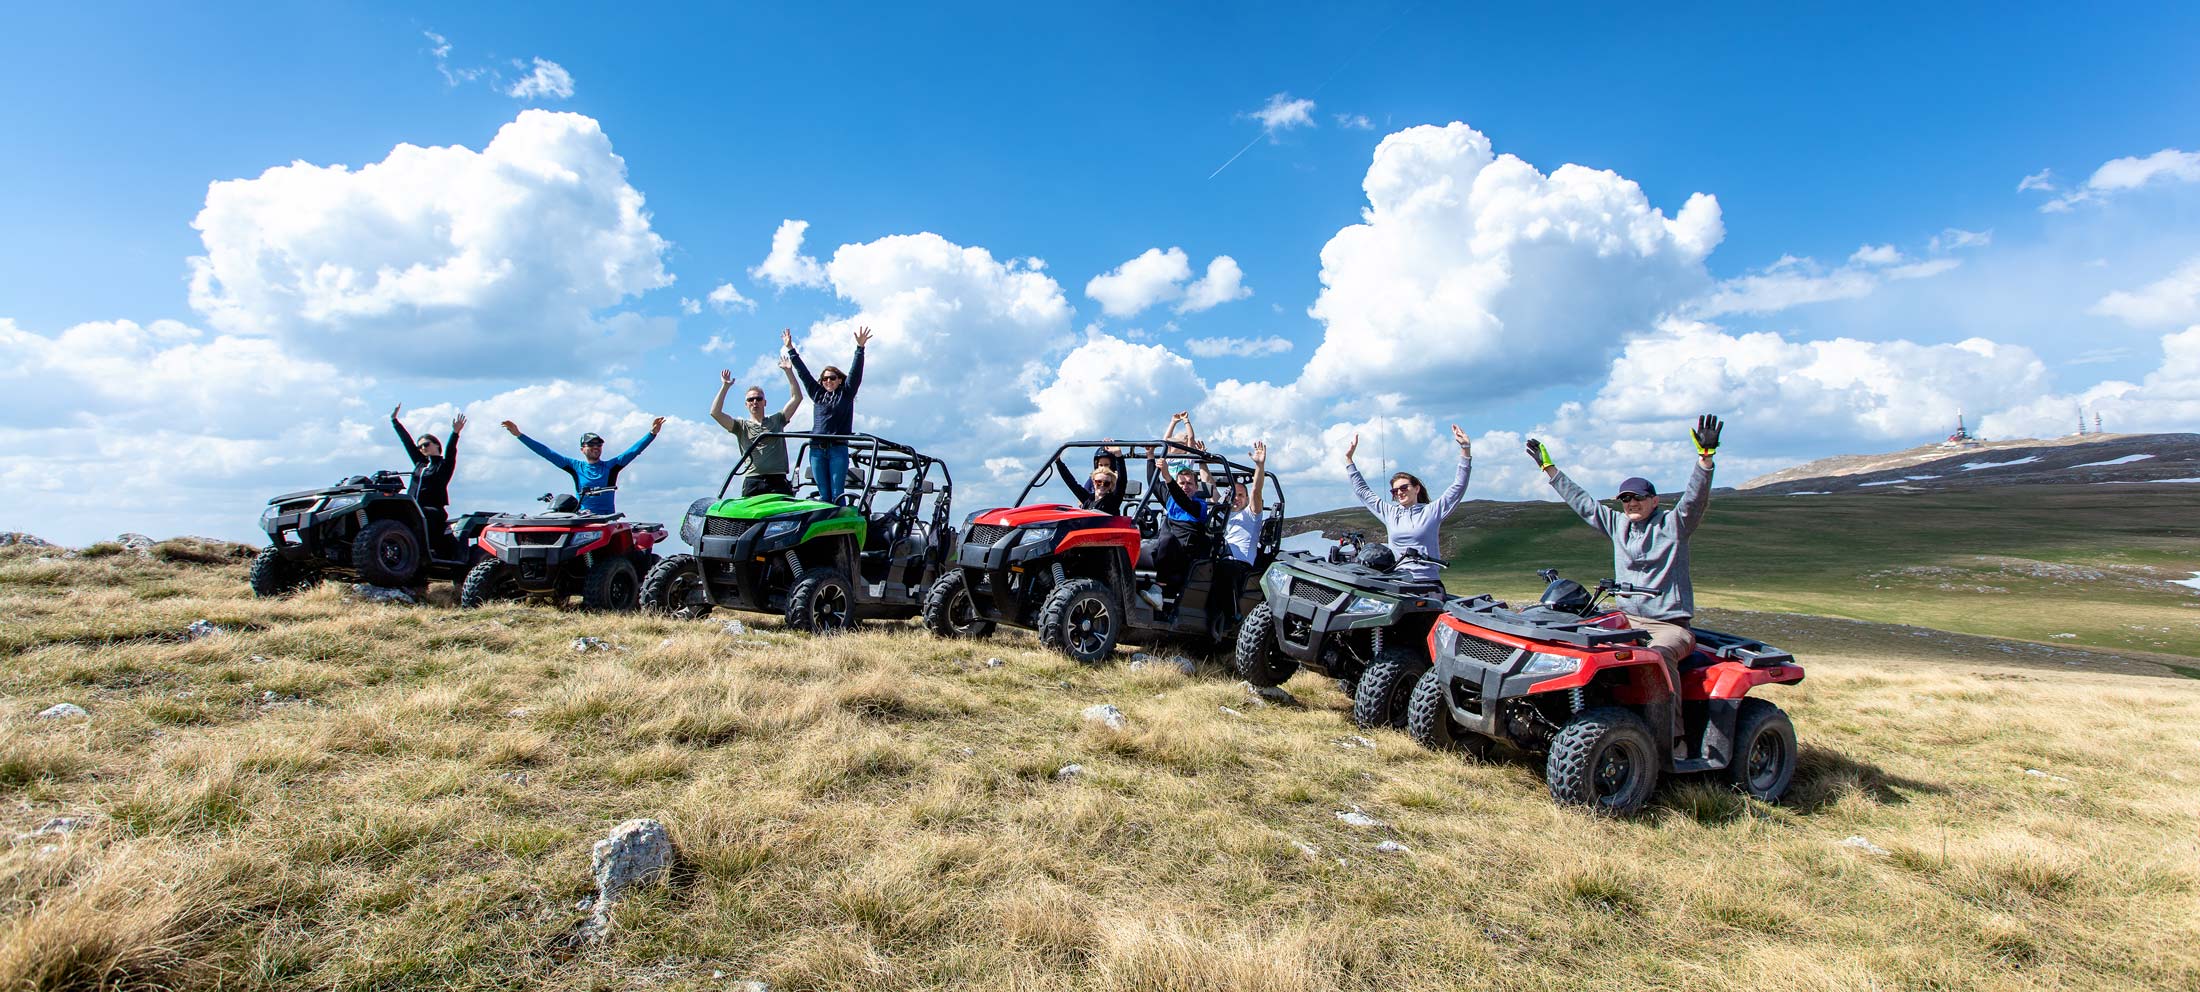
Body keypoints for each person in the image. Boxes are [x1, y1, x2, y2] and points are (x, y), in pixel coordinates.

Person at [1527, 414, 1723, 757]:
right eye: (1625, 498)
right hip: (1626, 619)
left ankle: (1672, 743)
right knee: (1574, 643)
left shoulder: (1674, 526)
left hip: (1669, 626)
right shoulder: (1618, 525)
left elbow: (1694, 500)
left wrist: (1704, 460)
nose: (1630, 503)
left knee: (1656, 659)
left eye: (1638, 497)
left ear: (1654, 500)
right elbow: (1584, 504)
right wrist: (1550, 470)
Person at [1343, 424, 1473, 594]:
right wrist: (1349, 460)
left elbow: (1458, 487)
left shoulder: (1431, 512)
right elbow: (1363, 492)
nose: (1399, 493)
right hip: (1398, 582)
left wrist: (1465, 449)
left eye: (1404, 488)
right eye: (1395, 491)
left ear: (1416, 488)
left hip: (1428, 583)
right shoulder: (1390, 513)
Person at [501, 417, 665, 515]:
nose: (596, 448)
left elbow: (633, 451)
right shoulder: (575, 466)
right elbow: (546, 452)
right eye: (591, 445)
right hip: (583, 518)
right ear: (582, 449)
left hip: (606, 520)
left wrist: (652, 434)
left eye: (599, 445)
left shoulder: (611, 467)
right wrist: (519, 435)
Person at [786, 325, 869, 504]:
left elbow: (856, 375)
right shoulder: (817, 394)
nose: (828, 381)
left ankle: (840, 528)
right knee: (823, 494)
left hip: (837, 448)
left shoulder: (846, 393)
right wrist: (791, 350)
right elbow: (804, 374)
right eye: (825, 379)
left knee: (837, 492)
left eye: (832, 378)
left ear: (839, 380)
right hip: (817, 449)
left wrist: (859, 349)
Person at [709, 353, 805, 497]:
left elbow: (797, 398)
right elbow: (715, 413)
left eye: (758, 399)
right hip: (753, 481)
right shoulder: (741, 426)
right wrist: (725, 387)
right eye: (751, 399)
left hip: (777, 480)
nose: (755, 402)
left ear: (764, 402)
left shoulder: (777, 420)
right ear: (746, 404)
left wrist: (788, 372)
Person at [1212, 439, 1268, 634]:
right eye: (1234, 494)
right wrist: (1202, 463)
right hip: (1222, 557)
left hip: (1240, 562)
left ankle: (1232, 615)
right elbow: (1210, 486)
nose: (1237, 498)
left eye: (1241, 495)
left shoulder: (1251, 514)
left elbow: (1257, 490)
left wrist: (1259, 466)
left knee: (1225, 569)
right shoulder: (1224, 512)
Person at [391, 404, 464, 556]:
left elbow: (451, 452)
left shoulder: (443, 465)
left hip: (432, 509)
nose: (422, 448)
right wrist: (395, 421)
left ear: (437, 445)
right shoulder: (420, 464)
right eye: (420, 447)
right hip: (413, 506)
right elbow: (407, 443)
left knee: (423, 515)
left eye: (425, 445)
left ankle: (427, 550)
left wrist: (455, 433)